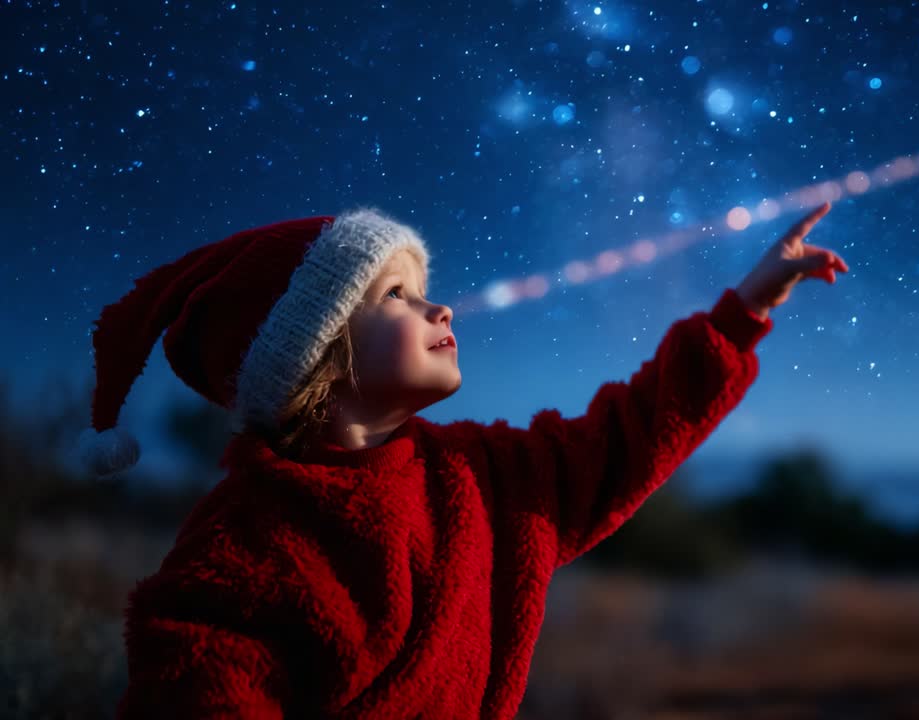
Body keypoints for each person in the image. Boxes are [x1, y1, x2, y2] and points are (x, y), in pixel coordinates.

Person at [79, 202, 848, 718]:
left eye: (426, 291)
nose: (438, 307)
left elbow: (628, 438)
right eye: (395, 295)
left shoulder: (485, 480)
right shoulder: (246, 541)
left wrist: (744, 309)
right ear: (312, 355)